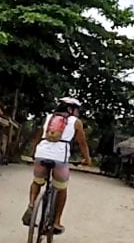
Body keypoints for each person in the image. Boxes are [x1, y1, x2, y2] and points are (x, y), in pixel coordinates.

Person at [22, 97, 91, 234]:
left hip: (41, 153)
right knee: (61, 188)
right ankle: (56, 222)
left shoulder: (48, 118)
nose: (77, 113)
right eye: (76, 110)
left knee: (37, 182)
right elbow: (82, 143)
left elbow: (38, 136)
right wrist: (86, 159)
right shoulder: (76, 122)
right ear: (71, 109)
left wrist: (33, 152)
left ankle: (31, 204)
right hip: (60, 158)